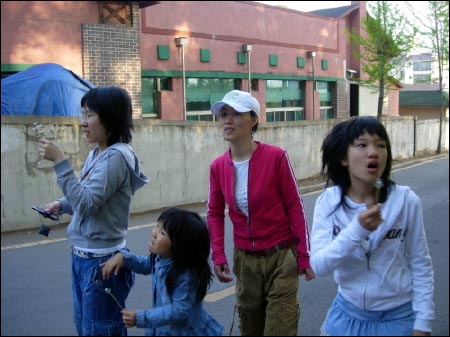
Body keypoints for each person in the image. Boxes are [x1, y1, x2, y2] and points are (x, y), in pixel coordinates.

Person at [38, 86, 149, 336]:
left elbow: (87, 203)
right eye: (83, 114)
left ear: (110, 117)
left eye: (89, 115)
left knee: (100, 330)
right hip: (84, 258)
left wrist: (60, 162)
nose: (83, 122)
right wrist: (62, 204)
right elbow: (85, 195)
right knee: (86, 327)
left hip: (100, 262)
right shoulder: (98, 154)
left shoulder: (116, 158)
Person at [310, 116, 434, 336]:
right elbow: (320, 265)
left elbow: (420, 263)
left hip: (399, 317)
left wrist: (423, 321)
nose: (373, 152)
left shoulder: (406, 201)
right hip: (347, 314)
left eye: (381, 145)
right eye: (362, 144)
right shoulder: (328, 202)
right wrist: (358, 230)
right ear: (343, 157)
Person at [207, 89, 315, 336]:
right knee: (251, 328)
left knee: (279, 328)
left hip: (281, 257)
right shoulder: (217, 166)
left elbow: (295, 205)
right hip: (245, 261)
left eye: (236, 114)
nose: (228, 120)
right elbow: (214, 212)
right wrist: (219, 256)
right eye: (224, 114)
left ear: (253, 119)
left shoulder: (276, 157)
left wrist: (303, 254)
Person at [100, 207, 224, 336]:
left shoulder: (186, 275)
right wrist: (124, 257)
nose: (154, 233)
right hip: (165, 328)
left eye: (162, 233)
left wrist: (142, 317)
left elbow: (178, 311)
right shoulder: (162, 258)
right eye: (157, 226)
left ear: (180, 245)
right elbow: (145, 264)